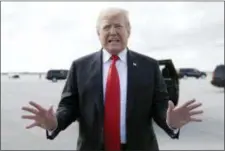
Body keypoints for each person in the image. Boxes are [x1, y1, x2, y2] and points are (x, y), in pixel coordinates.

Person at [21, 7, 203, 151]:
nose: (113, 31)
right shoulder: (80, 66)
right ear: (98, 33)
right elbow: (68, 106)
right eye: (107, 27)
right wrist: (54, 123)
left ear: (129, 31)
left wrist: (171, 122)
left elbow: (161, 106)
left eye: (119, 26)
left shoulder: (149, 66)